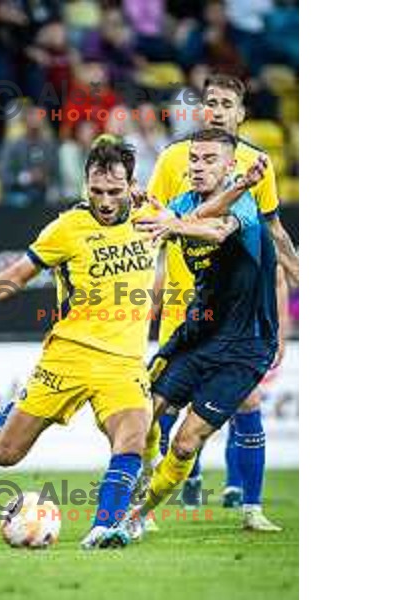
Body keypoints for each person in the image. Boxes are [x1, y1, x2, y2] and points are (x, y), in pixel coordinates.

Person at [0, 142, 160, 549]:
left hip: (125, 362)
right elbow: (16, 274)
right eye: (95, 191)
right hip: (68, 355)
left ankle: (104, 528)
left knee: (133, 434)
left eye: (114, 192)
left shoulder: (155, 216)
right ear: (85, 184)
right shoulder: (66, 228)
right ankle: (12, 410)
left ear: (132, 184)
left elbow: (202, 215)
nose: (104, 201)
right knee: (6, 454)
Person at [146, 73, 297, 529]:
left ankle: (249, 504)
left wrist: (294, 279)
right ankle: (157, 493)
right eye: (209, 101)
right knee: (161, 406)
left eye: (225, 102)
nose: (215, 109)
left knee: (247, 400)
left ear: (240, 113)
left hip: (238, 315)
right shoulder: (175, 157)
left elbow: (269, 236)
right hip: (184, 306)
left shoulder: (257, 164)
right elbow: (156, 220)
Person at [127, 129, 280, 539]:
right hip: (200, 330)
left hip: (245, 345)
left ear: (231, 165)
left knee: (184, 444)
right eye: (194, 159)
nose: (197, 166)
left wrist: (169, 223)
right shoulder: (182, 204)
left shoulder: (245, 205)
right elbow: (155, 223)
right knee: (141, 415)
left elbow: (215, 231)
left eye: (210, 159)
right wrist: (146, 207)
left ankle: (139, 514)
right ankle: (138, 492)